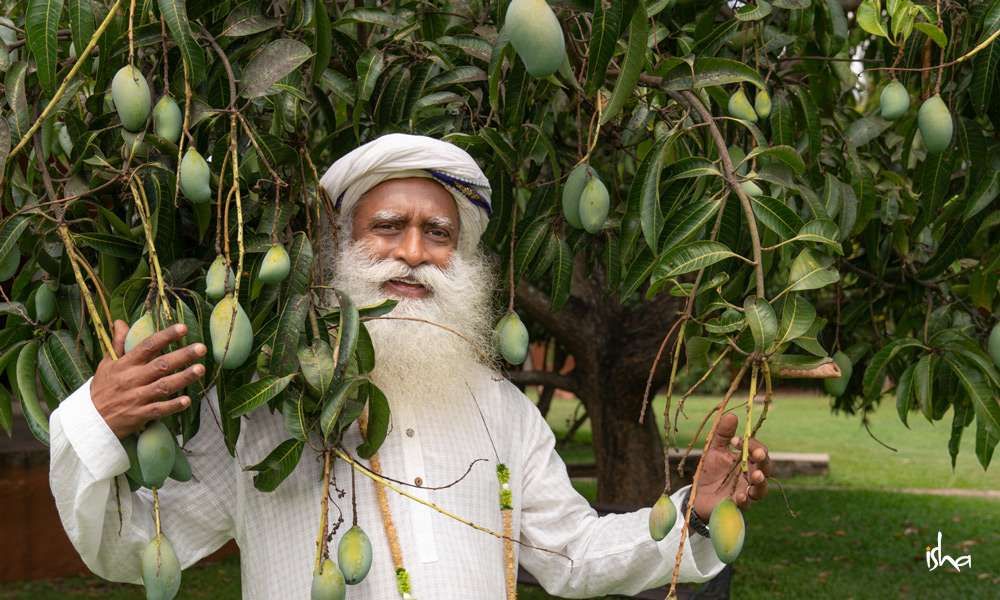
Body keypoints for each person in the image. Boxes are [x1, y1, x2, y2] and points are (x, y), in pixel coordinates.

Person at [49, 133, 771, 599]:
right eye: (388, 227)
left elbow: (573, 552)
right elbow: (128, 547)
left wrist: (696, 515)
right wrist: (96, 420)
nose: (415, 252)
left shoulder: (501, 410)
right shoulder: (262, 408)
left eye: (438, 234)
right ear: (338, 250)